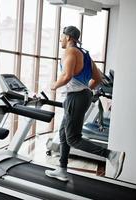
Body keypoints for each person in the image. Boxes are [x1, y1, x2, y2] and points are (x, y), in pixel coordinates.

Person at [45, 26, 125, 181]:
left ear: (68, 37)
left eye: (62, 36)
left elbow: (67, 76)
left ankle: (111, 155)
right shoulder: (85, 54)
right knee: (63, 133)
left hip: (75, 98)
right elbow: (98, 78)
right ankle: (62, 169)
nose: (60, 39)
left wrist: (54, 85)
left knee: (73, 138)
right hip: (84, 96)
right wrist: (85, 89)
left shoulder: (70, 52)